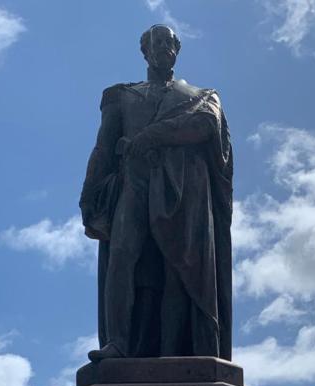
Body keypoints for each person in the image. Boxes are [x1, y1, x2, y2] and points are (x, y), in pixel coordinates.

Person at [79, 24, 233, 362]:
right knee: (122, 256)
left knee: (176, 268)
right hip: (133, 184)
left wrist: (151, 136)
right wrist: (89, 193)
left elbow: (204, 126)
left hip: (183, 193)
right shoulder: (120, 95)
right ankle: (119, 342)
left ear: (177, 49)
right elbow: (103, 148)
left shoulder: (202, 96)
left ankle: (174, 350)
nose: (165, 48)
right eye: (158, 42)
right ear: (145, 51)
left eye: (170, 43)